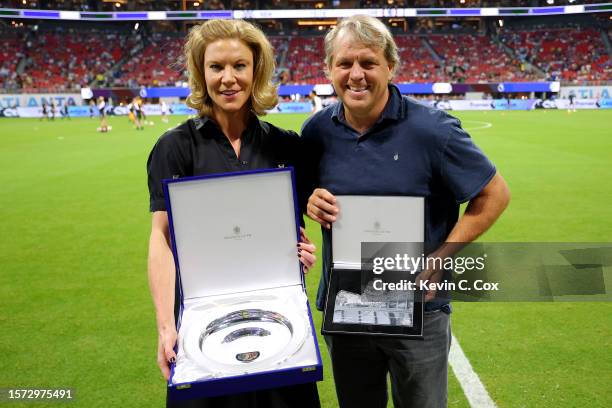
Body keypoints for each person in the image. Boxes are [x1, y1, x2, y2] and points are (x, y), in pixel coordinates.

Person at [302, 15, 510, 408]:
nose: (356, 75)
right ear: (329, 70)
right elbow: (305, 198)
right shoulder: (316, 132)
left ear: (391, 67)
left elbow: (494, 194)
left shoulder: (433, 130)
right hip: (347, 310)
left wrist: (441, 257)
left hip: (419, 311)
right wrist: (310, 201)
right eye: (345, 64)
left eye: (368, 63)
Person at [146, 19, 320, 408]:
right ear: (200, 72)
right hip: (203, 322)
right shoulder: (174, 147)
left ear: (256, 70)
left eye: (239, 66)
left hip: (281, 320)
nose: (228, 78)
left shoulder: (286, 146)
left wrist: (303, 253)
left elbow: (298, 231)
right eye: (216, 67)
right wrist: (165, 325)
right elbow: (161, 238)